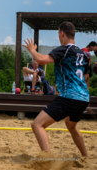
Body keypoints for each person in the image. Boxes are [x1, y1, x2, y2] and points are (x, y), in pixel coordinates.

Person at [23, 21, 90, 156]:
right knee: (71, 126)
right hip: (84, 98)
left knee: (37, 125)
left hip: (69, 97)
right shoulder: (83, 54)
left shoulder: (64, 49)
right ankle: (85, 156)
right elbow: (86, 77)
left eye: (58, 34)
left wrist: (32, 50)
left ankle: (47, 158)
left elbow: (41, 60)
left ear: (62, 33)